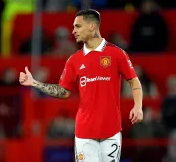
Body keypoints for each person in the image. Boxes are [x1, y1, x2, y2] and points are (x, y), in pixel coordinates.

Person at [19, 9, 143, 162]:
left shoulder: (117, 54)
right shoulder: (74, 60)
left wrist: (138, 106)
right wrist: (34, 83)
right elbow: (63, 91)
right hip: (84, 132)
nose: (73, 31)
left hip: (111, 131)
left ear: (92, 26)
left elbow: (133, 80)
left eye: (77, 26)